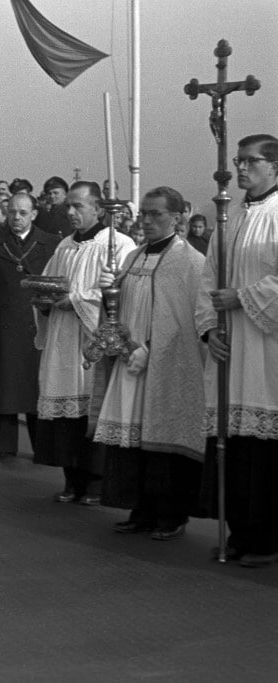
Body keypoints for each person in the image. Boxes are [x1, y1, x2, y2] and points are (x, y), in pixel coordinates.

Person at [93, 187, 206, 541]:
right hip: (130, 360)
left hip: (165, 364)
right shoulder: (133, 257)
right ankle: (140, 509)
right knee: (133, 441)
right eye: (144, 213)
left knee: (162, 443)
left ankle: (170, 515)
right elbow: (120, 308)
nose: (148, 220)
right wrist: (110, 293)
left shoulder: (190, 262)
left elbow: (188, 319)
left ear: (177, 218)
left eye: (156, 214)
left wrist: (152, 349)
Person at [197, 134, 278, 567]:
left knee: (264, 452)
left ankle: (265, 538)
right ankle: (240, 532)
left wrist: (242, 297)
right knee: (236, 447)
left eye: (251, 161)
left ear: (275, 166)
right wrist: (210, 329)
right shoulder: (229, 217)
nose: (241, 168)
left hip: (269, 352)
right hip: (232, 347)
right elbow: (208, 278)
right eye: (238, 160)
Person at [33, 181, 136, 504]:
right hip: (62, 339)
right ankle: (72, 478)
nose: (72, 212)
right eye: (69, 207)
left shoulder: (118, 245)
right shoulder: (64, 245)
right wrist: (44, 301)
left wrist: (76, 299)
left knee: (92, 406)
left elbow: (122, 294)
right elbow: (49, 282)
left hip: (93, 338)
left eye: (78, 206)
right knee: (65, 413)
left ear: (98, 208)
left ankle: (94, 482)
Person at [0, 192, 60, 461]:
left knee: (37, 388)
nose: (16, 218)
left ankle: (41, 447)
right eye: (11, 212)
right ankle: (6, 445)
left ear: (34, 214)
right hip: (5, 326)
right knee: (6, 388)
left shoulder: (51, 244)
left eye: (22, 213)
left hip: (38, 325)